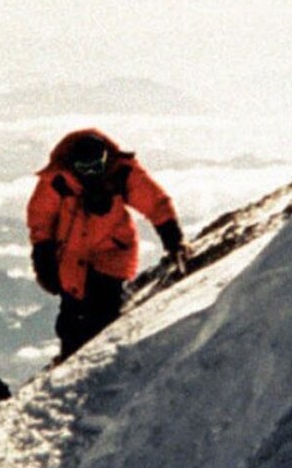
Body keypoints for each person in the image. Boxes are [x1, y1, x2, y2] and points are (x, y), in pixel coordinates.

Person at [26, 128, 190, 359]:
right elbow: (40, 220)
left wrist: (172, 237)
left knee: (102, 311)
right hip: (71, 259)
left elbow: (154, 202)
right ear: (74, 164)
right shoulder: (58, 181)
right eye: (85, 169)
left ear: (105, 159)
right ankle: (70, 359)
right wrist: (43, 256)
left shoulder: (121, 172)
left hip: (111, 255)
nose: (92, 173)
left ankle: (97, 362)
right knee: (71, 317)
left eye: (96, 166)